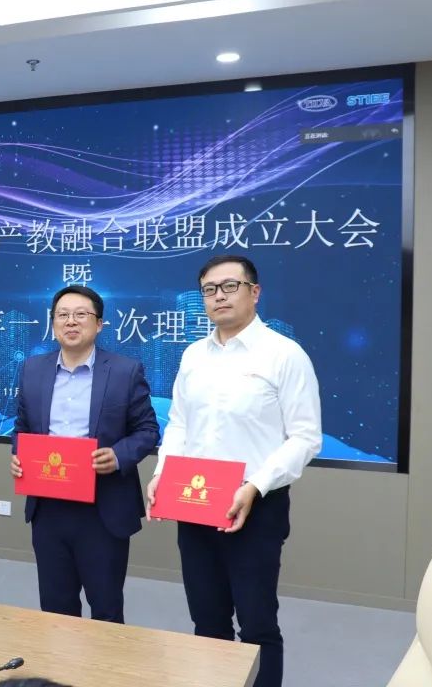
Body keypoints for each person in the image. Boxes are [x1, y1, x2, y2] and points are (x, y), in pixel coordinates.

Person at [146, 254, 321, 687]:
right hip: (195, 504)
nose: (219, 296)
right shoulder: (193, 355)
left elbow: (305, 437)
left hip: (255, 507)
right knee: (207, 622)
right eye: (210, 289)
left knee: (258, 625)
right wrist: (162, 474)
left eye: (230, 286)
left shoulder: (284, 354)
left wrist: (255, 486)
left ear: (254, 292)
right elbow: (180, 424)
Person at [11, 285, 159, 622]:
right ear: (52, 323)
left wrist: (118, 456)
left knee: (106, 609)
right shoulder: (33, 369)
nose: (71, 321)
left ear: (99, 324)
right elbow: (22, 427)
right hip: (48, 507)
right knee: (55, 608)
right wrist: (19, 455)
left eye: (81, 314)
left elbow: (148, 430)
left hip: (102, 509)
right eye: (62, 315)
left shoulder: (125, 371)